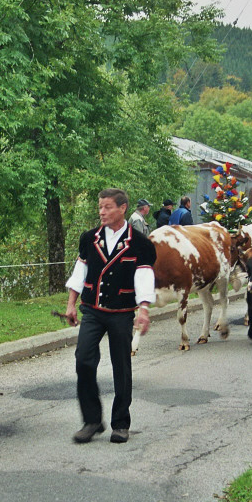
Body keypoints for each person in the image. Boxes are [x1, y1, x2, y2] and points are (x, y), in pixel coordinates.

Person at [64, 188, 156, 444]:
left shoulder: (140, 244)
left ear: (122, 208)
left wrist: (144, 310)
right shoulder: (89, 238)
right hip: (92, 311)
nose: (101, 212)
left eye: (107, 207)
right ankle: (92, 420)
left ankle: (120, 423)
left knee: (121, 368)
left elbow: (144, 277)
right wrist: (71, 304)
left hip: (121, 313)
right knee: (83, 360)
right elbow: (79, 273)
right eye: (100, 207)